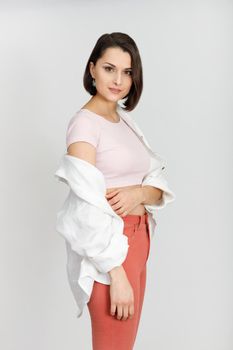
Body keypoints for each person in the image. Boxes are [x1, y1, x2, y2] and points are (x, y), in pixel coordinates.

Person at [55, 32, 175, 350]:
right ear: (92, 69)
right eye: (109, 69)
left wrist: (138, 194)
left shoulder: (124, 122)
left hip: (138, 241)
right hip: (111, 251)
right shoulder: (84, 124)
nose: (118, 80)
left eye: (127, 71)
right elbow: (84, 205)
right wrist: (115, 272)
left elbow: (158, 185)